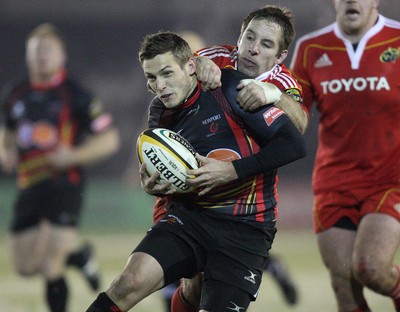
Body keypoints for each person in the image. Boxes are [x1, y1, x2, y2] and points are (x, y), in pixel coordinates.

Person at [86, 31, 305, 312]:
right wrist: (152, 184)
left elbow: (293, 145)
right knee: (128, 282)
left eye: (167, 73)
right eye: (151, 78)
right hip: (190, 220)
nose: (160, 86)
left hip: (245, 229)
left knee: (197, 296)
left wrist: (232, 171)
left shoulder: (232, 89)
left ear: (191, 66)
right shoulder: (160, 114)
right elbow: (170, 171)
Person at [161, 6, 307, 311]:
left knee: (204, 277)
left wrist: (274, 95)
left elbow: (301, 123)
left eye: (266, 44)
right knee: (188, 276)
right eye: (249, 37)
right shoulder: (215, 56)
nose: (253, 49)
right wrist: (197, 63)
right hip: (194, 184)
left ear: (280, 56)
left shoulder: (283, 82)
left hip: (244, 193)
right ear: (239, 37)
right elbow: (167, 78)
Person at [0, 23, 120, 312]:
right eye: (36, 51)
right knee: (25, 267)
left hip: (64, 184)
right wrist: (6, 150)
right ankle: (79, 257)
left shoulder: (76, 94)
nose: (42, 56)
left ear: (61, 57)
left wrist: (73, 156)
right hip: (28, 185)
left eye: (48, 50)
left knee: (51, 264)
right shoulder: (16, 93)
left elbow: (110, 139)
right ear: (28, 56)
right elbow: (6, 131)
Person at [290, 1, 400, 311]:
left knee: (371, 268)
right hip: (334, 182)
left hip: (389, 178)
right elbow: (295, 115)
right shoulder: (311, 48)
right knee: (344, 290)